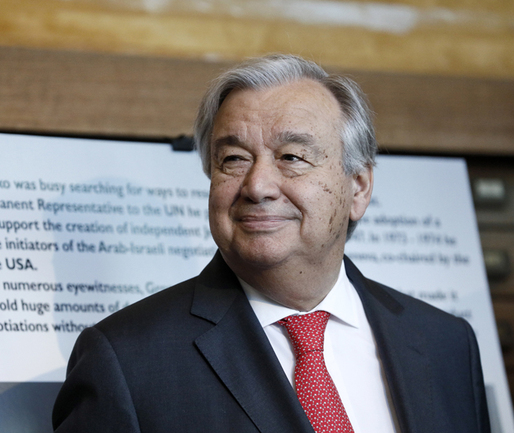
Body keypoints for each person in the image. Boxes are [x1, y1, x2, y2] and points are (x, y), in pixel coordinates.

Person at [52, 54, 490, 433]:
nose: (257, 185)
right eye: (234, 159)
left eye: (292, 157)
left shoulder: (445, 343)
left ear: (358, 187)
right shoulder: (127, 361)